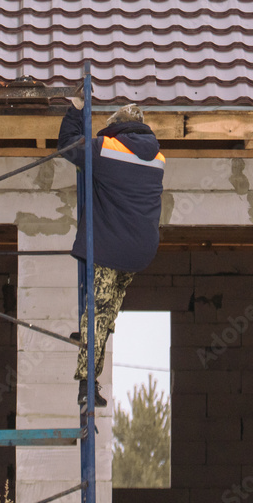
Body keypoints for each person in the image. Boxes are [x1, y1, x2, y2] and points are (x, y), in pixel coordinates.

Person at [57, 99, 165, 408]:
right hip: (141, 251)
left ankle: (86, 383)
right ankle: (93, 351)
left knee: (96, 312)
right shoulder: (158, 157)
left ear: (116, 126)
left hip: (109, 248)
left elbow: (66, 146)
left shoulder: (106, 148)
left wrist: (76, 109)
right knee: (107, 312)